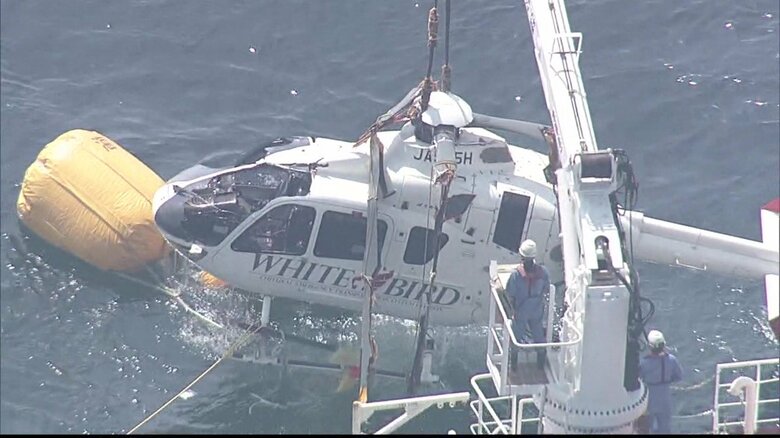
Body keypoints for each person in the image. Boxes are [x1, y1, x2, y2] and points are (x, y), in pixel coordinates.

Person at [506, 239, 550, 370]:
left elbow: (510, 294)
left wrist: (512, 310)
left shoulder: (516, 275)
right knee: (539, 337)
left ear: (522, 256)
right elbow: (546, 289)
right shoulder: (543, 273)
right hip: (536, 310)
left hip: (521, 311)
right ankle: (540, 365)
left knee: (516, 338)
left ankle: (513, 366)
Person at [639, 329, 683, 434]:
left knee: (646, 428)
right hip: (665, 399)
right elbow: (679, 376)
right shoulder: (671, 360)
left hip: (649, 399)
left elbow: (638, 378)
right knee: (665, 427)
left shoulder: (644, 363)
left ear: (650, 346)